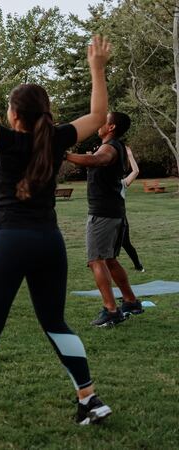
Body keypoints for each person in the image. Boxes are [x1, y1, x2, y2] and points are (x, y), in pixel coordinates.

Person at [0, 33, 113, 433]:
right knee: (55, 322)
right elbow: (97, 114)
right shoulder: (57, 139)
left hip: (11, 242)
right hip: (49, 243)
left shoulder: (9, 141)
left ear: (16, 116)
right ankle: (89, 399)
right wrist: (97, 69)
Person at [66, 112, 144, 327]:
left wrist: (64, 155)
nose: (99, 124)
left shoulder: (110, 147)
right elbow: (95, 159)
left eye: (104, 120)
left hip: (103, 214)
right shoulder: (112, 146)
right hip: (113, 212)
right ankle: (131, 301)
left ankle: (111, 310)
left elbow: (97, 160)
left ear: (111, 127)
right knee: (109, 259)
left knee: (96, 260)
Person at [120, 146, 144, 272]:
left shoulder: (122, 183)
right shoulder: (104, 183)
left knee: (125, 243)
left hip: (120, 218)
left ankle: (138, 266)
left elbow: (135, 172)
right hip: (107, 217)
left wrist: (130, 155)